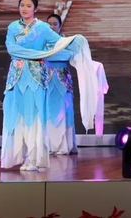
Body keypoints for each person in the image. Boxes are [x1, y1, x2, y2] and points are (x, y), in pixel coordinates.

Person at [2, 0, 103, 171]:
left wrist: (76, 41)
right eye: (22, 5)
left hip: (36, 77)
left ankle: (33, 159)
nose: (24, 9)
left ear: (35, 9)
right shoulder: (12, 27)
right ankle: (19, 157)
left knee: (35, 116)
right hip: (16, 77)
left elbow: (59, 43)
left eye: (28, 6)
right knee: (15, 115)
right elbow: (12, 49)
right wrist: (39, 55)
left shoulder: (42, 28)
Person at [45, 13, 77, 155]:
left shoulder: (66, 42)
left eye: (55, 24)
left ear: (60, 26)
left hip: (63, 81)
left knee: (64, 110)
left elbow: (72, 56)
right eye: (49, 24)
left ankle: (65, 145)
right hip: (47, 81)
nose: (52, 27)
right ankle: (48, 146)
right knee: (48, 111)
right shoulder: (42, 43)